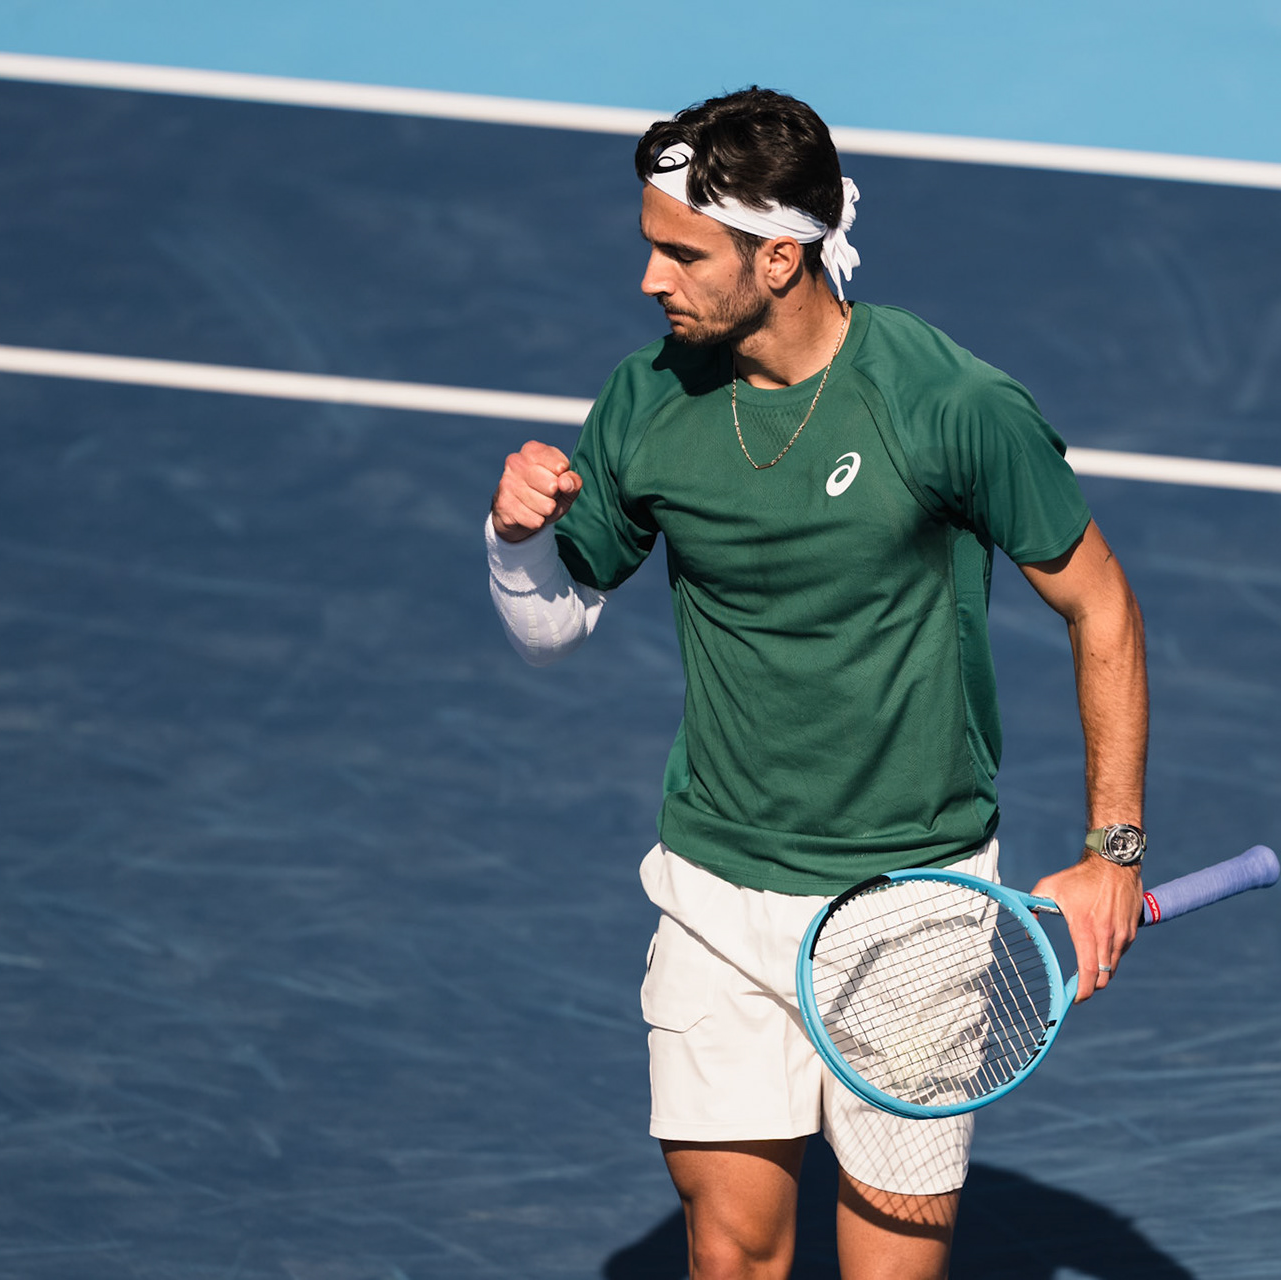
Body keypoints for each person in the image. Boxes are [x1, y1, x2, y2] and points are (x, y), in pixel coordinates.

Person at [487, 87, 1150, 1280]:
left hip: (914, 906)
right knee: (730, 1249)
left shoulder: (949, 405)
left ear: (780, 256)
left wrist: (1114, 847)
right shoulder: (649, 399)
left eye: (680, 251)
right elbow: (551, 629)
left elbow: (1098, 600)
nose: (650, 278)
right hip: (717, 889)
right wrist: (514, 539)